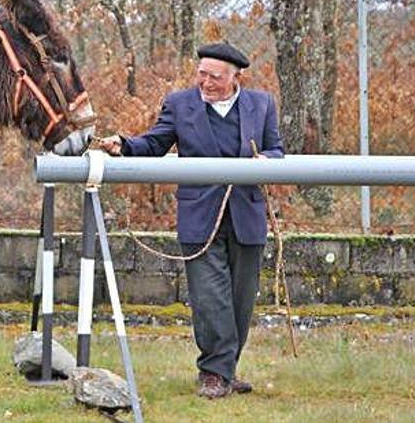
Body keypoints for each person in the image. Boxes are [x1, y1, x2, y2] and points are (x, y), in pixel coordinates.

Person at [98, 42, 284, 399]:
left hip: (246, 215)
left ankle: (225, 369)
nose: (206, 82)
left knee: (240, 301)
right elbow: (155, 143)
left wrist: (266, 160)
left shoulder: (261, 105)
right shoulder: (180, 104)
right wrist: (124, 144)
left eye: (215, 77)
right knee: (210, 297)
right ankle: (213, 374)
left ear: (235, 77)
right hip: (199, 215)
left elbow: (276, 149)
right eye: (201, 74)